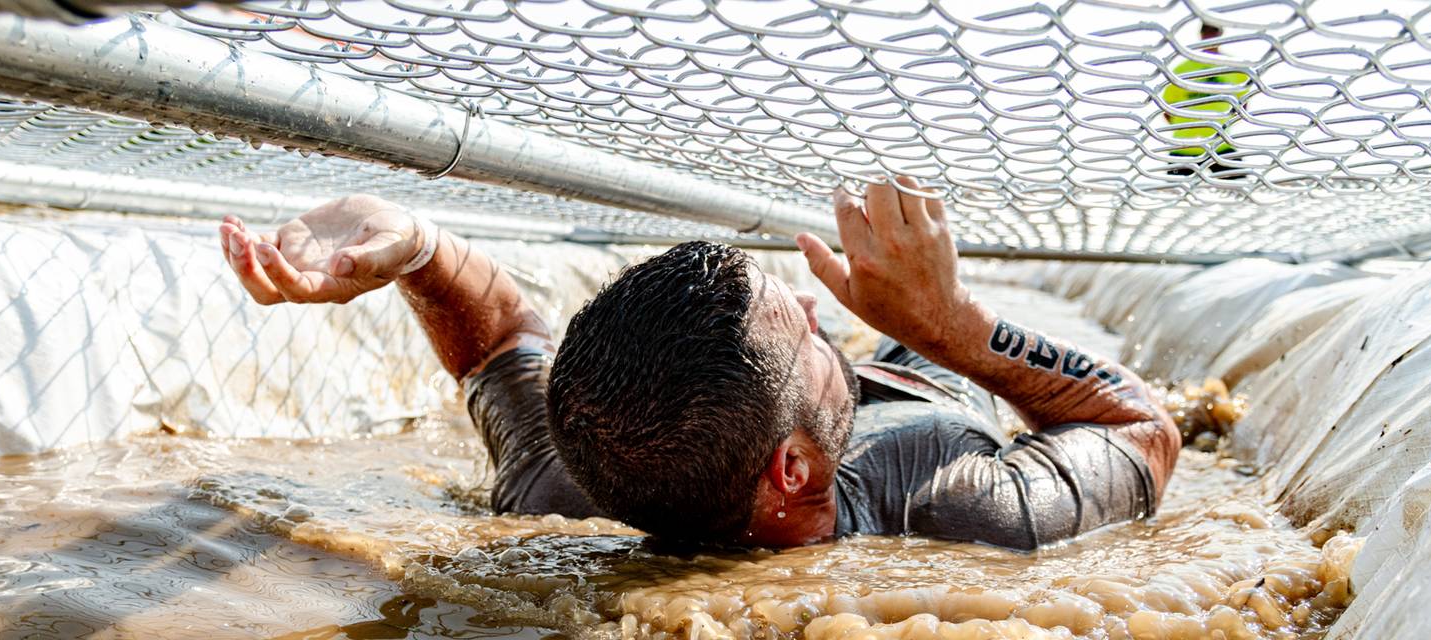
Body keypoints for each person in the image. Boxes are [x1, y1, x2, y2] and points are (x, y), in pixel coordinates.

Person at [216, 179, 1179, 550]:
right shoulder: (959, 509)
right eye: (801, 326)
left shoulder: (567, 477)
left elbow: (505, 342)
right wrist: (953, 328)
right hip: (928, 371)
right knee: (909, 341)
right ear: (791, 471)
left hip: (781, 407)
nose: (815, 305)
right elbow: (1145, 430)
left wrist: (415, 240)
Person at [1162, 23, 1250, 178]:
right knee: (1177, 196)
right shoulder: (1182, 69)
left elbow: (1243, 106)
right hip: (1184, 147)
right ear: (1201, 34)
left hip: (1221, 145)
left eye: (1214, 31)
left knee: (1239, 191)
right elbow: (1167, 109)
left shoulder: (1235, 67)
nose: (1211, 35)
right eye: (1207, 31)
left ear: (1220, 34)